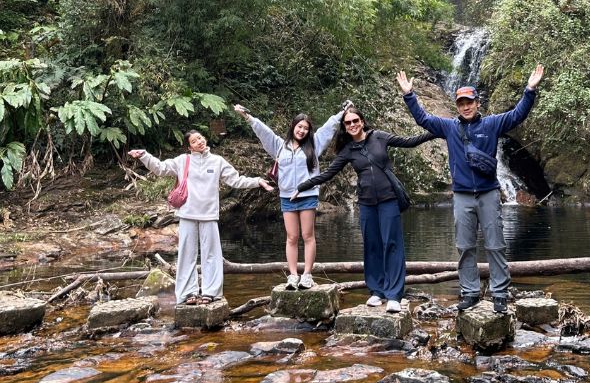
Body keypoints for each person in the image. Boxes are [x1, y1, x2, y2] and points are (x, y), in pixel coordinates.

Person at [398, 65, 544, 313]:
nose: (465, 106)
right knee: (465, 247)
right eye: (461, 103)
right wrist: (409, 95)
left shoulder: (492, 124)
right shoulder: (449, 127)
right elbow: (423, 119)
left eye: (469, 102)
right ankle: (470, 292)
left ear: (477, 103)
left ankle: (499, 293)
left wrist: (530, 89)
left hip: (488, 194)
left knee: (496, 245)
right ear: (457, 106)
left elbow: (518, 115)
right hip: (462, 196)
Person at [293, 106, 436, 313]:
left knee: (392, 245)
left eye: (355, 121)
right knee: (372, 246)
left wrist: (438, 130)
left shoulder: (379, 137)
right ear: (344, 126)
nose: (352, 125)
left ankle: (394, 295)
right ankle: (377, 292)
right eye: (348, 122)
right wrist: (302, 187)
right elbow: (327, 174)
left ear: (362, 121)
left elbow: (410, 141)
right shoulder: (348, 151)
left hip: (389, 200)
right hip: (367, 203)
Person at [129, 131, 275, 305]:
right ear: (189, 146)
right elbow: (160, 168)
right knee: (186, 255)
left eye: (200, 138)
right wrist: (144, 155)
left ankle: (210, 292)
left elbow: (236, 180)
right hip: (187, 214)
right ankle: (187, 293)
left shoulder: (217, 161)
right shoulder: (182, 161)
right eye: (194, 140)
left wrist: (257, 181)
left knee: (211, 255)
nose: (199, 141)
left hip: (209, 215)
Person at [233, 101, 348, 290]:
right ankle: (293, 275)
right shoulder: (279, 146)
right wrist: (248, 117)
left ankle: (307, 275)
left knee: (307, 235)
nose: (302, 131)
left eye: (306, 128)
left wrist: (342, 112)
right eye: (299, 126)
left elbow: (329, 127)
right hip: (286, 196)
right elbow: (264, 132)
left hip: (308, 194)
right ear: (293, 127)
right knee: (291, 237)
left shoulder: (315, 144)